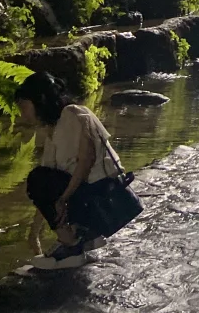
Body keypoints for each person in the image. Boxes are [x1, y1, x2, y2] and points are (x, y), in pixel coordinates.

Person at [15, 71, 126, 269]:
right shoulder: (53, 128)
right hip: (93, 196)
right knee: (41, 177)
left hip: (105, 197)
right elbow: (44, 191)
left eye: (24, 106)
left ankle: (72, 245)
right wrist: (34, 233)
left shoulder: (73, 114)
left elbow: (86, 160)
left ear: (40, 100)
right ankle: (82, 237)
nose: (22, 114)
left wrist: (63, 199)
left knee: (38, 178)